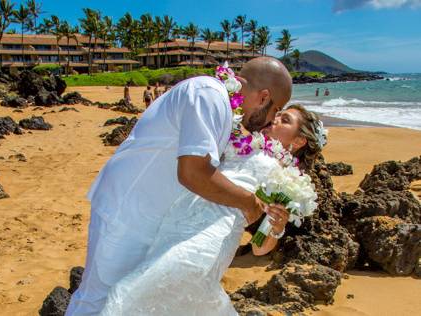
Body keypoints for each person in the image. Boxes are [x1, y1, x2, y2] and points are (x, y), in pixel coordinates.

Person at [65, 57, 293, 315]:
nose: (270, 121)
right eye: (277, 110)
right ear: (263, 98)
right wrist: (248, 202)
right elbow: (193, 172)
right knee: (97, 298)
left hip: (151, 215)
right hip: (127, 208)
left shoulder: (223, 107)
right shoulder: (208, 94)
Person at [101, 105, 324, 315]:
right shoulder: (248, 138)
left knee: (131, 292)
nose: (275, 119)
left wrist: (277, 227)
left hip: (213, 236)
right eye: (278, 114)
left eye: (285, 120)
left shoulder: (287, 178)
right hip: (177, 221)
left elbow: (258, 249)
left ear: (299, 140)